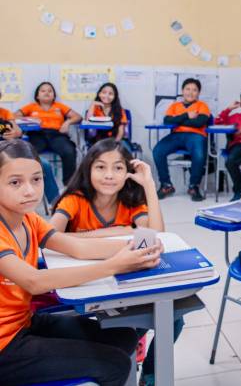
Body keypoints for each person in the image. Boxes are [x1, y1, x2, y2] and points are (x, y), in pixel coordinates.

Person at [0, 139, 162, 386]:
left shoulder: (29, 220)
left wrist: (136, 249)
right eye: (15, 182)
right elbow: (34, 282)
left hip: (24, 322)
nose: (30, 190)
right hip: (5, 346)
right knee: (115, 365)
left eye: (36, 179)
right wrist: (116, 265)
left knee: (124, 336)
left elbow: (78, 247)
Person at [48, 138, 181, 386]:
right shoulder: (75, 199)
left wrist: (150, 185)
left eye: (118, 168)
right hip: (87, 283)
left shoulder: (130, 200)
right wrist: (110, 232)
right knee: (128, 326)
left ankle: (150, 376)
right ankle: (131, 346)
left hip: (123, 279)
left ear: (127, 173)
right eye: (100, 167)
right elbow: (48, 237)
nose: (109, 175)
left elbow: (157, 235)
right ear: (88, 169)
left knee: (173, 316)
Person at [152, 78, 210, 202]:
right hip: (177, 135)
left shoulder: (202, 105)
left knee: (199, 155)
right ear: (182, 91)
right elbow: (167, 120)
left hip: (196, 136)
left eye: (194, 90)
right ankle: (166, 185)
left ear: (198, 93)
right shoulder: (175, 105)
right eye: (188, 89)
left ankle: (193, 186)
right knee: (158, 151)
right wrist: (187, 116)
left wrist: (178, 119)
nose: (191, 92)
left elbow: (200, 122)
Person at [16, 82, 81, 183]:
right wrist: (29, 119)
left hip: (56, 135)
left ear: (54, 95)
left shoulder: (59, 106)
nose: (47, 93)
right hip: (37, 135)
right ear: (37, 95)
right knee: (28, 153)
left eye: (50, 91)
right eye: (43, 91)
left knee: (69, 151)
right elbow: (14, 116)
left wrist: (67, 122)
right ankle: (31, 182)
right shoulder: (31, 106)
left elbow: (78, 117)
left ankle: (69, 184)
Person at [1, 97, 59, 204]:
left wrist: (15, 133)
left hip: (9, 152)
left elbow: (18, 131)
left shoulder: (5, 112)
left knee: (44, 164)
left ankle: (56, 205)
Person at [85, 82, 132, 153]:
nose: (106, 95)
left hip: (116, 139)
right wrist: (93, 104)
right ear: (99, 94)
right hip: (99, 139)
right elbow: (88, 121)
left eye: (110, 94)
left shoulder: (120, 110)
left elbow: (121, 130)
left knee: (125, 151)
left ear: (115, 96)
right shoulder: (95, 108)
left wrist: (116, 143)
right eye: (104, 92)